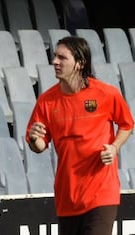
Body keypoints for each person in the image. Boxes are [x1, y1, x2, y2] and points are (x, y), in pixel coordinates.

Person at [26, 36, 134, 235]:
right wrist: (34, 139)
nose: (54, 62)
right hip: (67, 197)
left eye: (62, 58)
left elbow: (127, 124)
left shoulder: (106, 93)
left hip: (101, 193)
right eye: (54, 56)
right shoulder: (46, 101)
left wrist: (114, 147)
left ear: (79, 63)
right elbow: (40, 146)